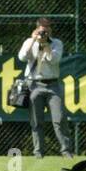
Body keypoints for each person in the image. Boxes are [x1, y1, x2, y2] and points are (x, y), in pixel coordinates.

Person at [18, 17, 74, 159]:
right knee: (36, 121)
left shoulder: (56, 43)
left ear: (51, 29)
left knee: (59, 118)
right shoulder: (29, 42)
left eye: (48, 28)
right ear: (37, 29)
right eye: (42, 29)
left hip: (53, 85)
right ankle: (38, 153)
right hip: (34, 85)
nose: (45, 31)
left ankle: (66, 151)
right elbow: (22, 57)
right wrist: (33, 41)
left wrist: (46, 44)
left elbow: (53, 59)